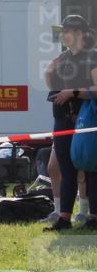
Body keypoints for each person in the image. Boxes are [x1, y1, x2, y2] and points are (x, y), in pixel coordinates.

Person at [41, 15, 97, 232]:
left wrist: (73, 92)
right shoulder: (63, 58)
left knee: (91, 167)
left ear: (79, 33)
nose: (62, 35)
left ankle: (93, 215)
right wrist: (49, 73)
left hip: (85, 121)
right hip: (62, 120)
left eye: (66, 31)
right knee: (66, 169)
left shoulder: (92, 57)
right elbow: (53, 87)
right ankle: (64, 217)